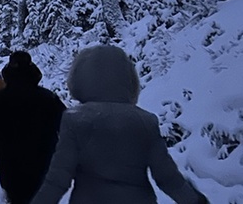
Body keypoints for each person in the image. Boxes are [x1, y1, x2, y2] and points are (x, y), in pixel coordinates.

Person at [32, 45, 208, 204]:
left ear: (81, 79)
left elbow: (58, 180)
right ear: (128, 79)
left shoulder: (76, 120)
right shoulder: (145, 122)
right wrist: (194, 201)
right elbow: (168, 177)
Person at [0, 50, 65, 204]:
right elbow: (69, 131)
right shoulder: (49, 99)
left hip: (10, 170)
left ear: (8, 73)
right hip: (44, 168)